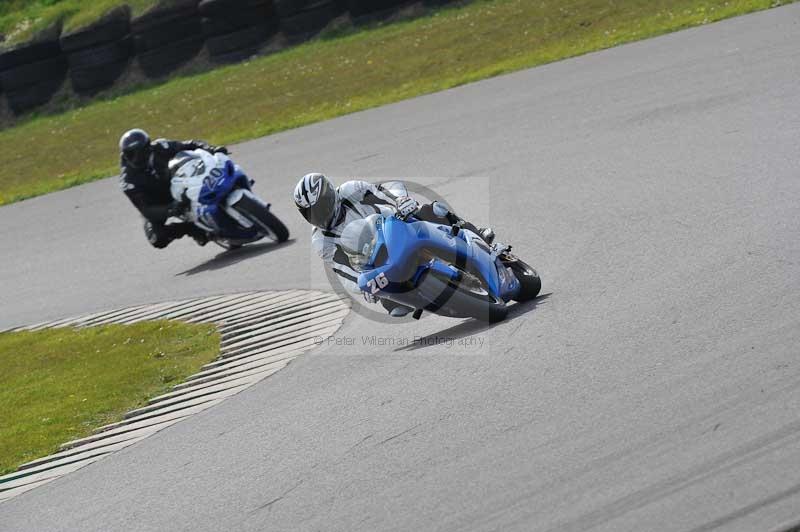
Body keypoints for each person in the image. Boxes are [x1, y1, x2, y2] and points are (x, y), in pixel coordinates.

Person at [293, 173, 495, 316]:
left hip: (398, 228)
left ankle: (476, 234)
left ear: (330, 196)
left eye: (320, 208)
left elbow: (385, 193)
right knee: (395, 306)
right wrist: (361, 285)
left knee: (430, 212)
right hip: (377, 261)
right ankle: (440, 299)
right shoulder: (321, 240)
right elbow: (343, 270)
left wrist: (401, 202)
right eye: (311, 212)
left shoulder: (351, 190)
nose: (318, 216)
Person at [118, 128, 229, 249]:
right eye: (130, 155)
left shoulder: (160, 147)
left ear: (148, 148)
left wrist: (211, 149)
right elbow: (146, 210)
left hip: (178, 183)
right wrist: (170, 209)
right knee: (156, 238)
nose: (135, 158)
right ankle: (190, 228)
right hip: (158, 203)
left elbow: (189, 144)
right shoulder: (128, 181)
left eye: (139, 153)